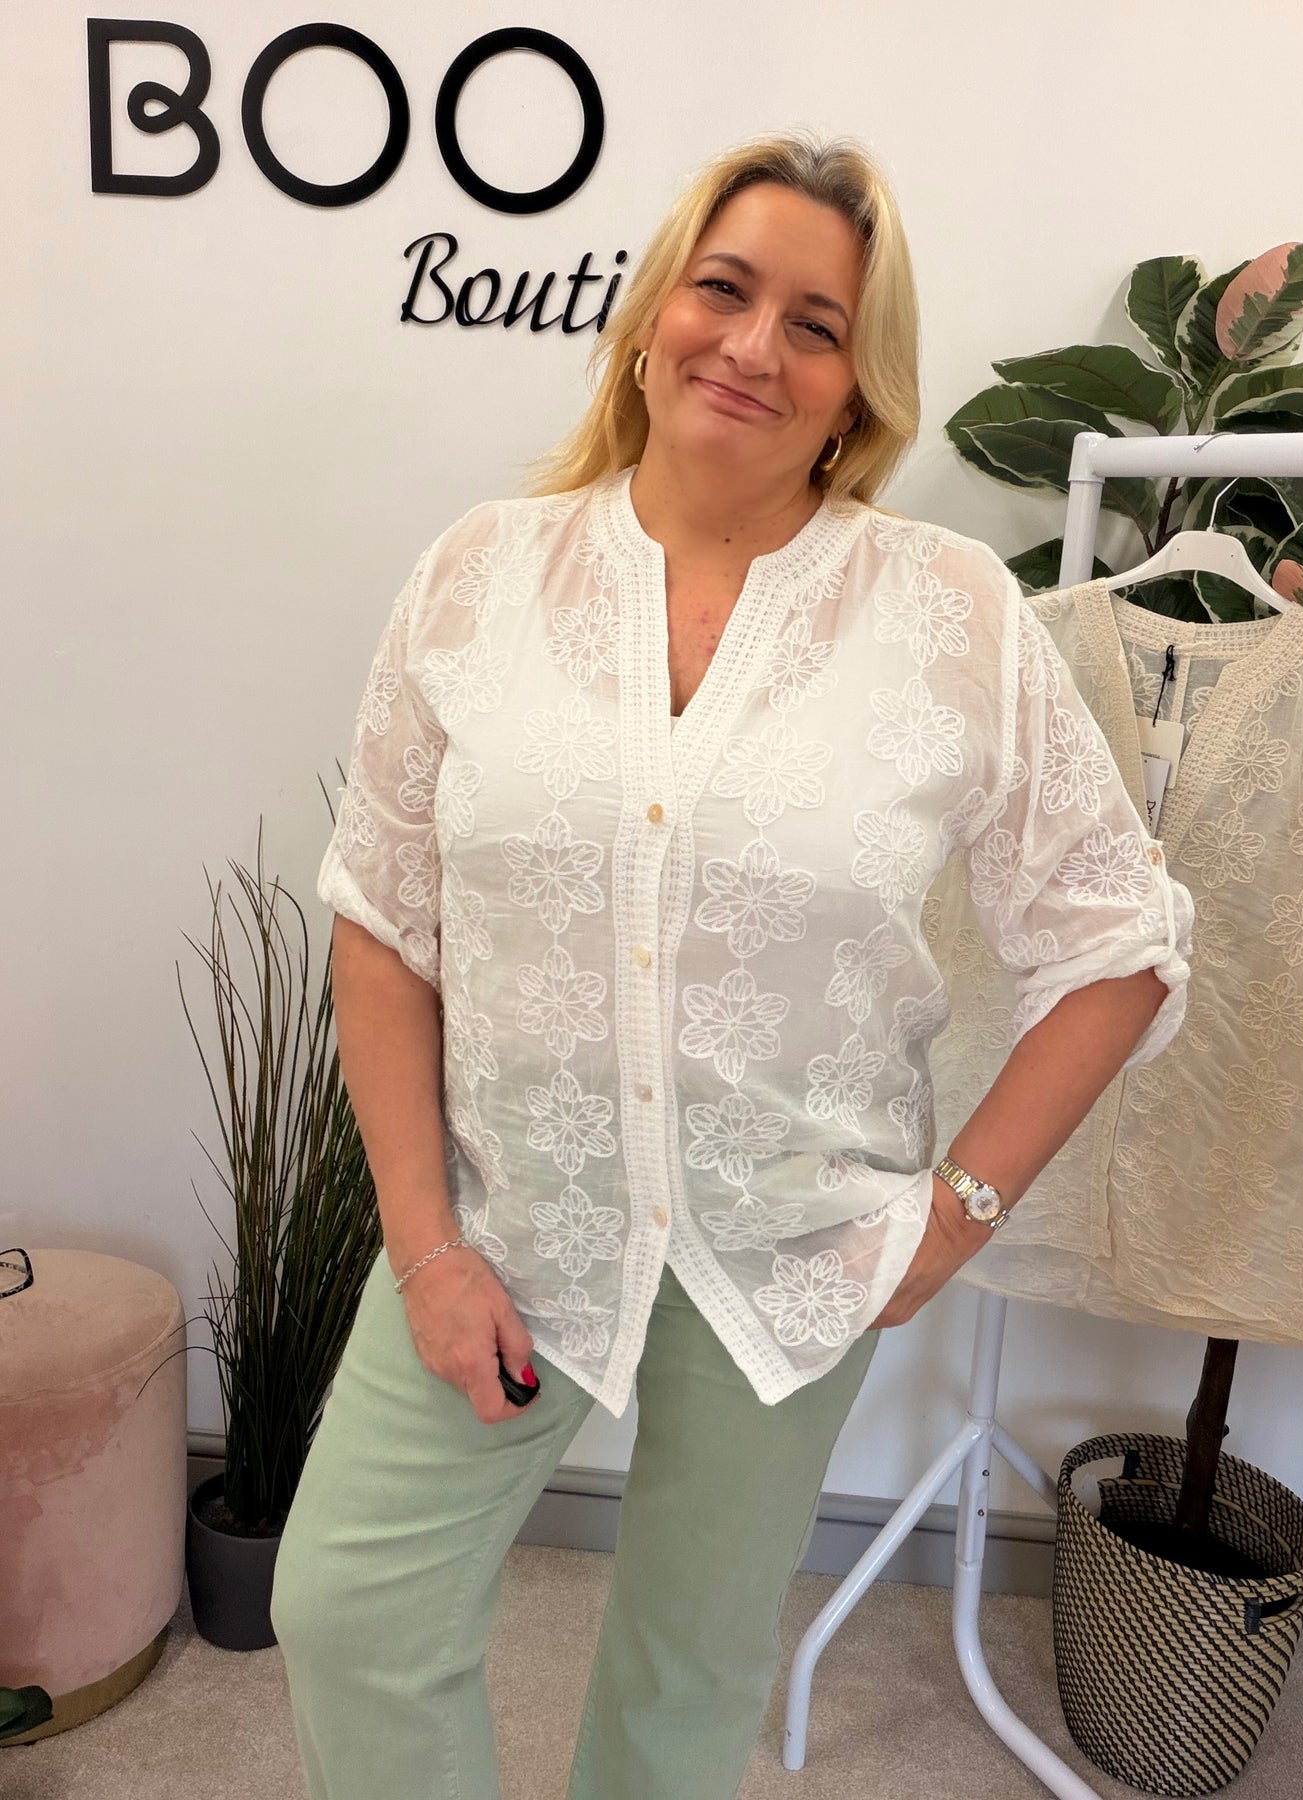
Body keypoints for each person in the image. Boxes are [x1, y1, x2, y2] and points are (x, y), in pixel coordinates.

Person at [269, 132, 1192, 1799]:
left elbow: (1114, 936)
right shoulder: (480, 576)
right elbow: (382, 917)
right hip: (501, 1221)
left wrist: (950, 1215)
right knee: (347, 1614)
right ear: (649, 318)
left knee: (687, 1680)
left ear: (855, 389)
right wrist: (425, 1246)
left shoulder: (948, 616)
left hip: (789, 1248)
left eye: (815, 325)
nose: (754, 346)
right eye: (723, 288)